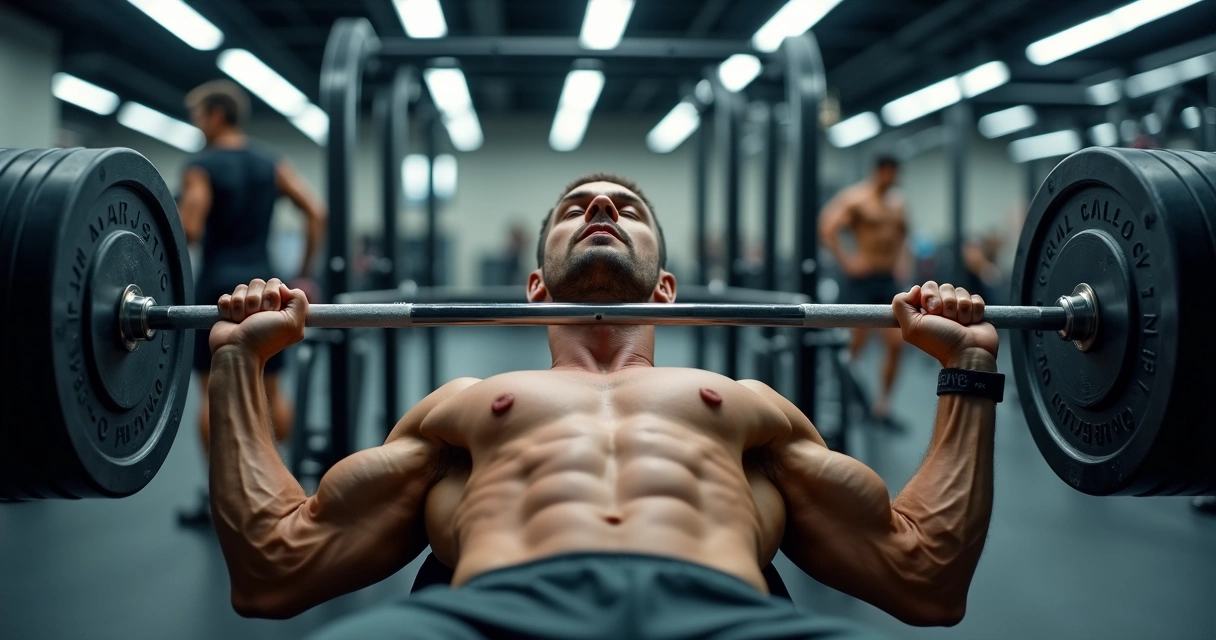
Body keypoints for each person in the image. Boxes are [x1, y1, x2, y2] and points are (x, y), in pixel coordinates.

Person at [205, 174, 998, 639]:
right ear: (535, 287)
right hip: (497, 614)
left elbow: (923, 576)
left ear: (666, 290)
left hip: (720, 613)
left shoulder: (749, 407)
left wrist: (968, 364)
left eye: (626, 207)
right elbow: (277, 568)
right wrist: (238, 359)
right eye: (577, 207)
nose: (601, 210)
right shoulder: (464, 407)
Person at [175, 80, 327, 527]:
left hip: (218, 286)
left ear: (216, 115)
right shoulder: (269, 161)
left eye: (198, 114)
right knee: (272, 388)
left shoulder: (200, 164)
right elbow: (316, 212)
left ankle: (218, 497)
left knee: (210, 391)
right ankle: (283, 487)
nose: (196, 123)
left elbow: (192, 229)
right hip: (265, 283)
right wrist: (302, 271)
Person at [820, 155, 912, 425]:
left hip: (887, 281)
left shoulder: (898, 203)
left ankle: (883, 406)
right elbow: (827, 228)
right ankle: (841, 396)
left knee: (897, 344)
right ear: (879, 171)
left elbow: (904, 237)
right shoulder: (856, 198)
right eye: (889, 172)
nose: (893, 177)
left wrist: (903, 265)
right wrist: (847, 260)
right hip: (862, 279)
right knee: (856, 345)